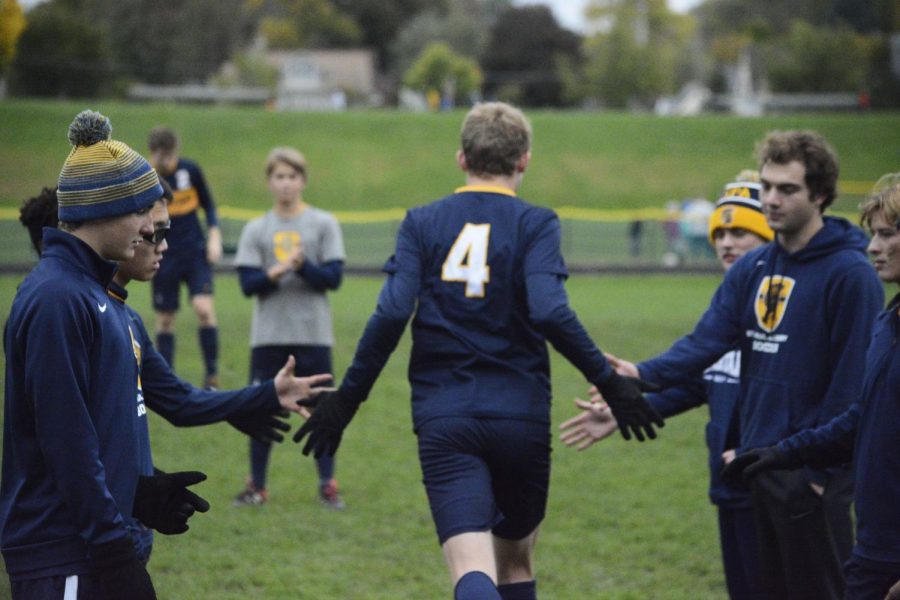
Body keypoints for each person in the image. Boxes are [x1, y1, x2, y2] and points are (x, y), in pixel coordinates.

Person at [292, 102, 663, 600]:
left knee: (472, 568)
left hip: (446, 416)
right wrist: (614, 386)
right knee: (515, 563)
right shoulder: (536, 223)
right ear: (525, 160)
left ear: (461, 158)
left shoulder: (421, 223)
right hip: (520, 416)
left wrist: (349, 399)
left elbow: (391, 312)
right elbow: (551, 311)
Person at [597, 130, 884, 599]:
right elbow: (706, 341)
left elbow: (852, 388)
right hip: (759, 467)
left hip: (810, 477)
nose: (772, 199)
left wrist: (816, 477)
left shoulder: (850, 274)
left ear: (821, 194)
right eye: (768, 186)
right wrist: (642, 373)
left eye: (787, 189)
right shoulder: (755, 267)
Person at [17, 183, 333, 565]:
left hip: (122, 535)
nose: (161, 244)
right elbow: (69, 447)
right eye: (154, 232)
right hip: (77, 547)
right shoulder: (64, 308)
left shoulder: (125, 318)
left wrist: (262, 396)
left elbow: (179, 401)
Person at [560, 172, 774, 599]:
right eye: (721, 232)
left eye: (742, 232)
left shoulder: (777, 309)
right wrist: (628, 410)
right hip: (730, 482)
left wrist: (640, 376)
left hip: (776, 485)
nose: (727, 242)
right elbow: (699, 382)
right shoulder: (725, 309)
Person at [2, 109, 162, 599]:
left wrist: (142, 495)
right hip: (66, 553)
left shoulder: (85, 291)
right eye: (140, 211)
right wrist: (116, 552)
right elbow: (66, 442)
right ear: (102, 211)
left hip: (85, 549)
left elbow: (95, 429)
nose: (147, 228)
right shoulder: (58, 297)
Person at [722, 176, 900, 600]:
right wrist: (784, 453)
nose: (873, 247)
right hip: (875, 548)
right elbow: (864, 417)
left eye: (887, 234)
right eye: (873, 233)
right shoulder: (888, 323)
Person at [232, 147, 347, 509]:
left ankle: (328, 484)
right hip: (269, 338)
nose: (285, 184)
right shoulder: (257, 228)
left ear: (303, 180)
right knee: (262, 411)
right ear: (270, 182)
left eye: (292, 176)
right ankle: (257, 487)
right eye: (279, 177)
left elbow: (333, 278)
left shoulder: (323, 223)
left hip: (312, 335)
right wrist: (278, 270)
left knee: (321, 411)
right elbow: (248, 284)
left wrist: (303, 267)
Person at [147, 126, 222, 389]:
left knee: (204, 308)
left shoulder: (190, 171)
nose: (166, 160)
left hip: (194, 252)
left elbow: (209, 205)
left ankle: (212, 376)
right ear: (152, 153)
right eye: (160, 155)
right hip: (163, 254)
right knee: (165, 318)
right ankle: (167, 379)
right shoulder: (146, 178)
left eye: (169, 154)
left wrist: (214, 237)